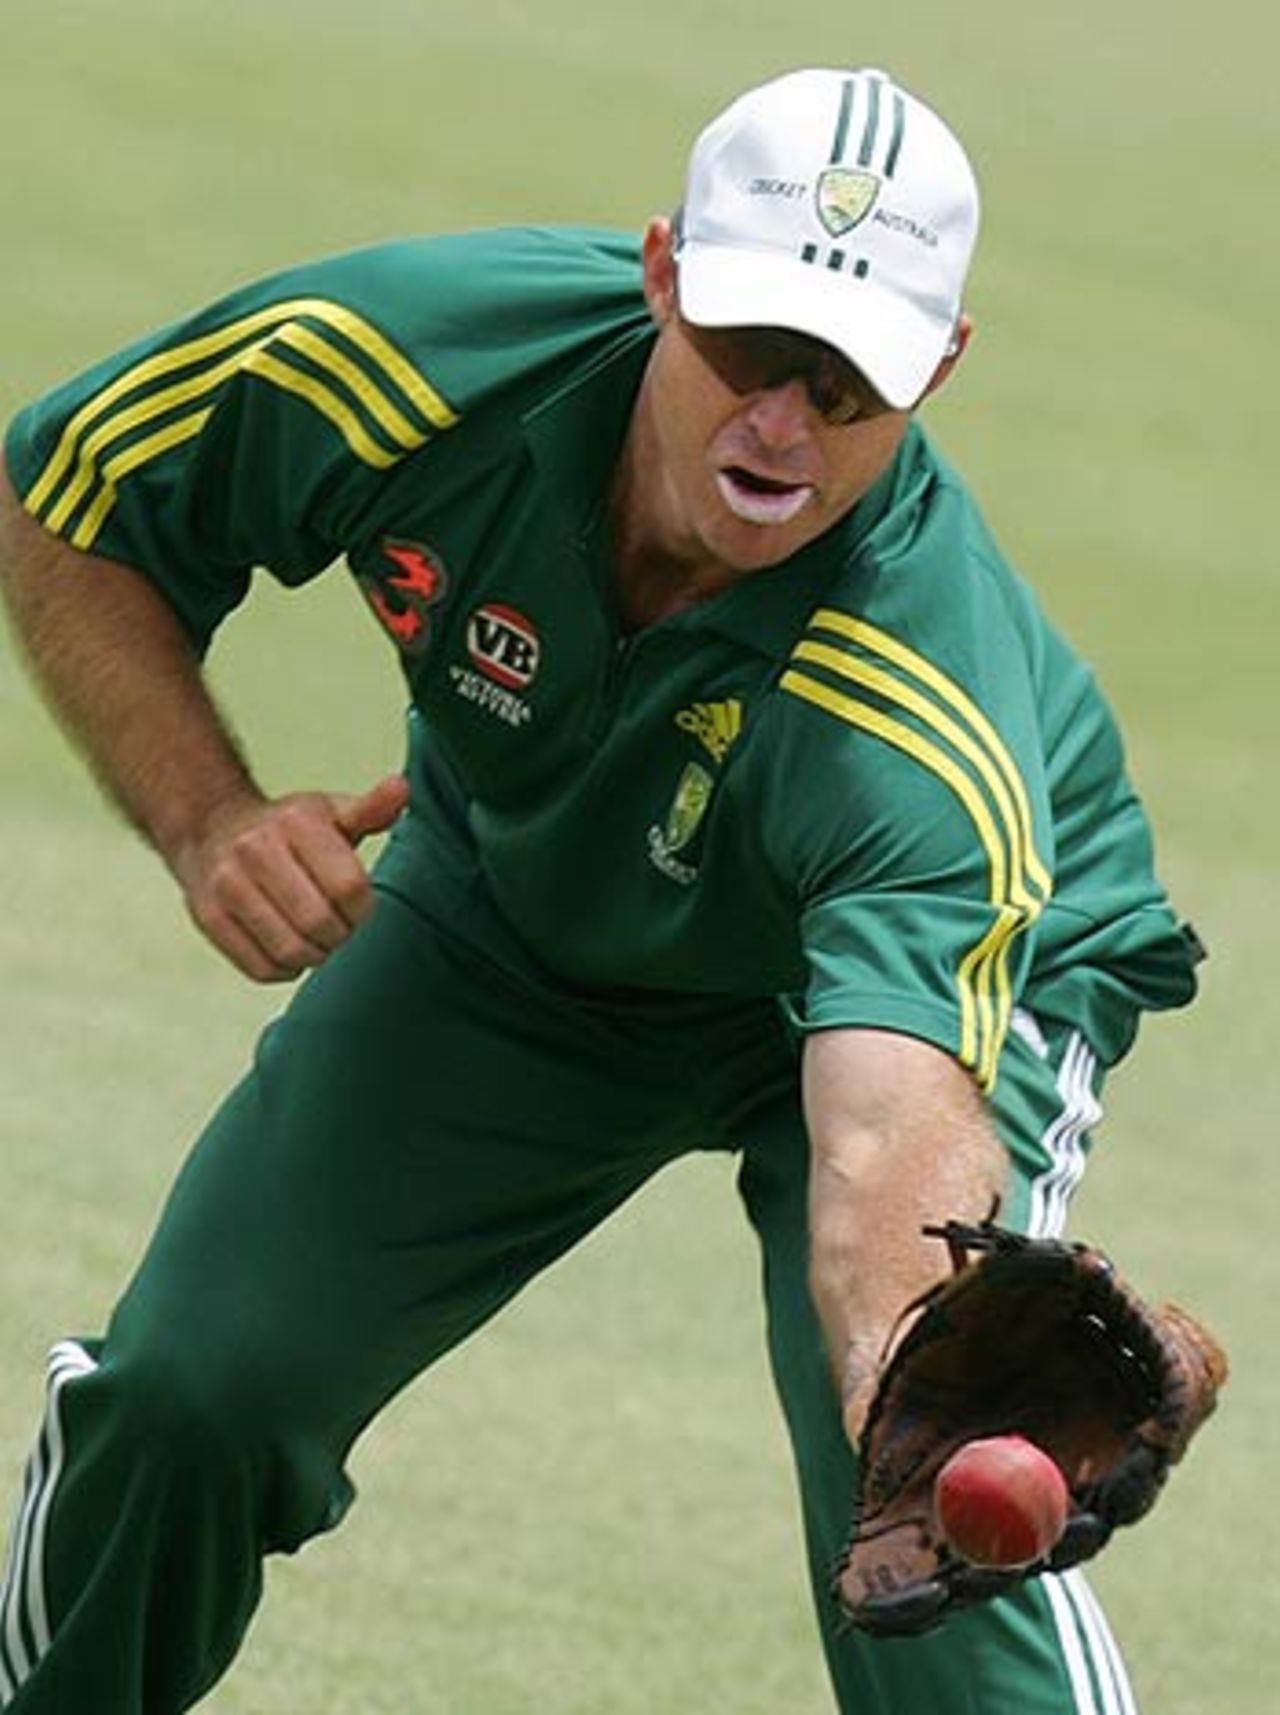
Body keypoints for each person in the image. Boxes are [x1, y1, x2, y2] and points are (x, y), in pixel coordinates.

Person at [0, 64, 1201, 1714]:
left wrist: (897, 1378)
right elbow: (67, 499)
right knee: (199, 1393)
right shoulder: (415, 364)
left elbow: (881, 1128)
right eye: (747, 348)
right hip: (520, 907)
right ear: (663, 273)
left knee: (930, 1530)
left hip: (909, 998)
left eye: (851, 381)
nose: (783, 420)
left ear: (942, 365)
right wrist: (206, 816)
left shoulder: (922, 724)